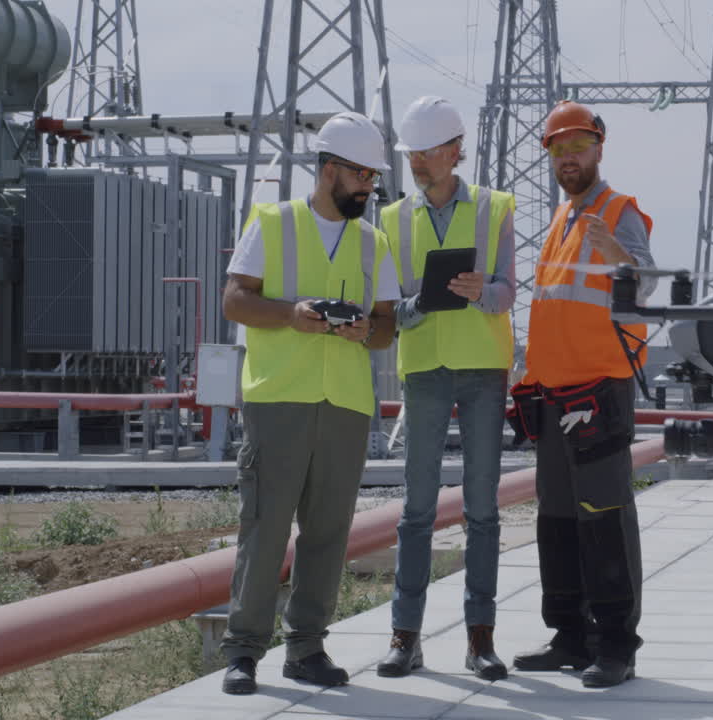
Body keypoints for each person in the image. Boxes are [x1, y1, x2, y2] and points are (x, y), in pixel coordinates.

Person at [218, 111, 399, 695]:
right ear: (328, 170)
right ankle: (243, 651)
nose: (369, 186)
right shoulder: (272, 222)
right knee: (265, 527)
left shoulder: (373, 242)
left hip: (345, 404)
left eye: (373, 176)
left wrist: (364, 331)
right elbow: (234, 301)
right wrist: (291, 315)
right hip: (278, 398)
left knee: (327, 532)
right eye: (361, 174)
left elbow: (386, 327)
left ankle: (306, 649)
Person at [509, 100, 655, 689]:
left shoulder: (618, 212)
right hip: (554, 393)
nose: (568, 158)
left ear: (599, 148)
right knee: (558, 519)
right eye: (559, 149)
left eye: (578, 147)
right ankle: (569, 636)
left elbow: (646, 282)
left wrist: (614, 250)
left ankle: (616, 644)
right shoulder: (562, 218)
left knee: (605, 516)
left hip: (599, 389)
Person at [374, 96, 517, 681]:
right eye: (411, 154)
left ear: (455, 150)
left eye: (427, 153)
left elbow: (507, 293)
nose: (417, 164)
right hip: (425, 367)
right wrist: (422, 303)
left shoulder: (494, 207)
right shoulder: (390, 219)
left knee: (482, 508)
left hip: (483, 369)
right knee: (416, 509)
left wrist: (480, 291)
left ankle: (480, 639)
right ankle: (404, 638)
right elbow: (388, 308)